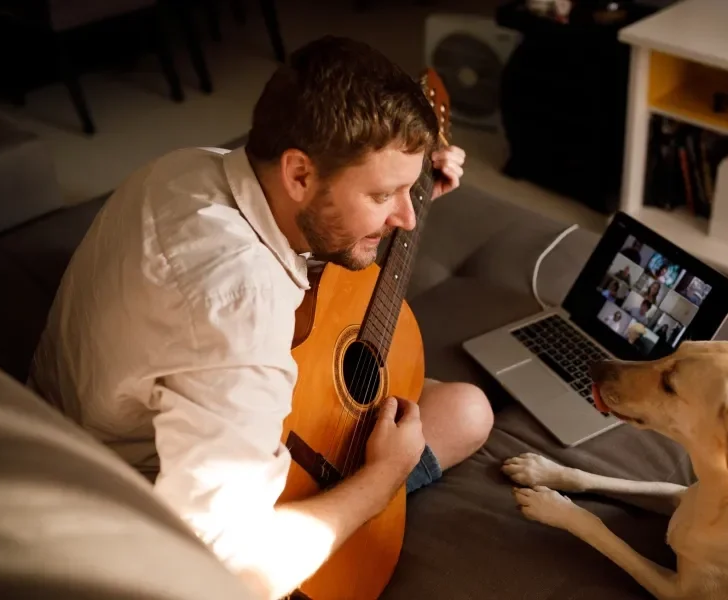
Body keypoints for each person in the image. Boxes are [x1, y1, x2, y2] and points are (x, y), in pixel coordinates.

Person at [28, 36, 494, 600]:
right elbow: (229, 573)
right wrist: (382, 479)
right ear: (300, 174)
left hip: (95, 414)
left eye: (403, 192)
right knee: (437, 424)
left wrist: (395, 200)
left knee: (466, 410)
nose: (405, 215)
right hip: (143, 501)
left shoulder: (187, 167)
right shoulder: (240, 312)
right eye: (380, 195)